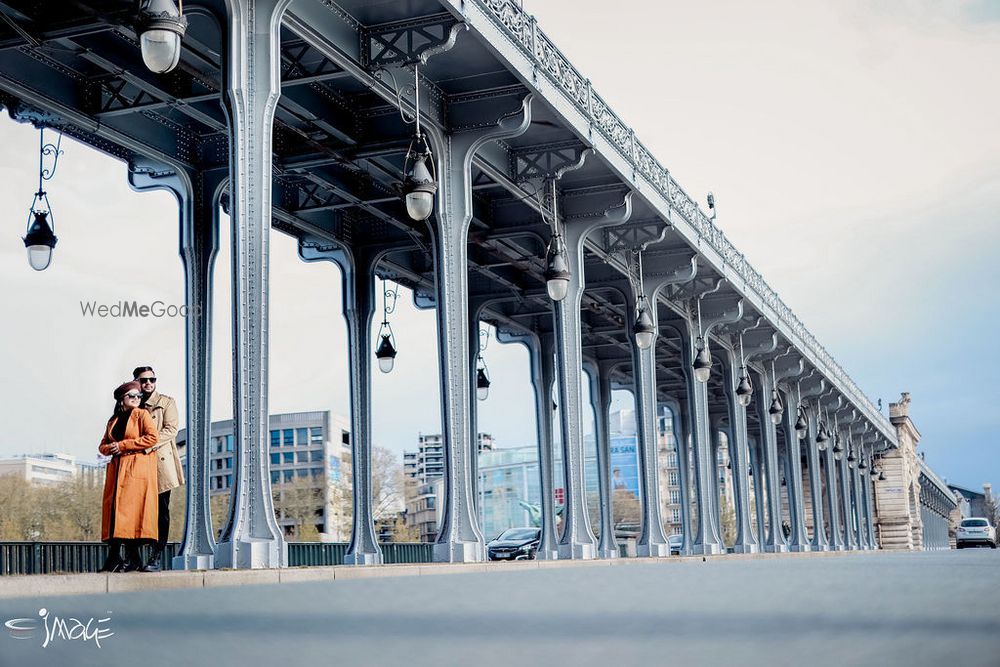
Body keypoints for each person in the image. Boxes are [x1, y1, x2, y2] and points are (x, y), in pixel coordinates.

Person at [99, 380, 160, 573]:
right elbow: (102, 446)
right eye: (131, 396)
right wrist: (112, 448)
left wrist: (124, 445)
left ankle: (120, 559)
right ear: (121, 399)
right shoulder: (113, 420)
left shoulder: (142, 415)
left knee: (130, 515)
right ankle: (123, 559)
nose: (136, 399)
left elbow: (153, 437)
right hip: (117, 471)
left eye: (138, 396)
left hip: (135, 470)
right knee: (116, 515)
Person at [133, 366, 182, 572]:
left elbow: (171, 429)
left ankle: (156, 555)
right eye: (144, 380)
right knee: (135, 510)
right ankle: (134, 557)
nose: (148, 384)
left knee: (161, 510)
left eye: (152, 379)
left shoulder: (166, 402)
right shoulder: (132, 402)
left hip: (160, 461)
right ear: (136, 381)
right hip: (137, 463)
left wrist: (148, 444)